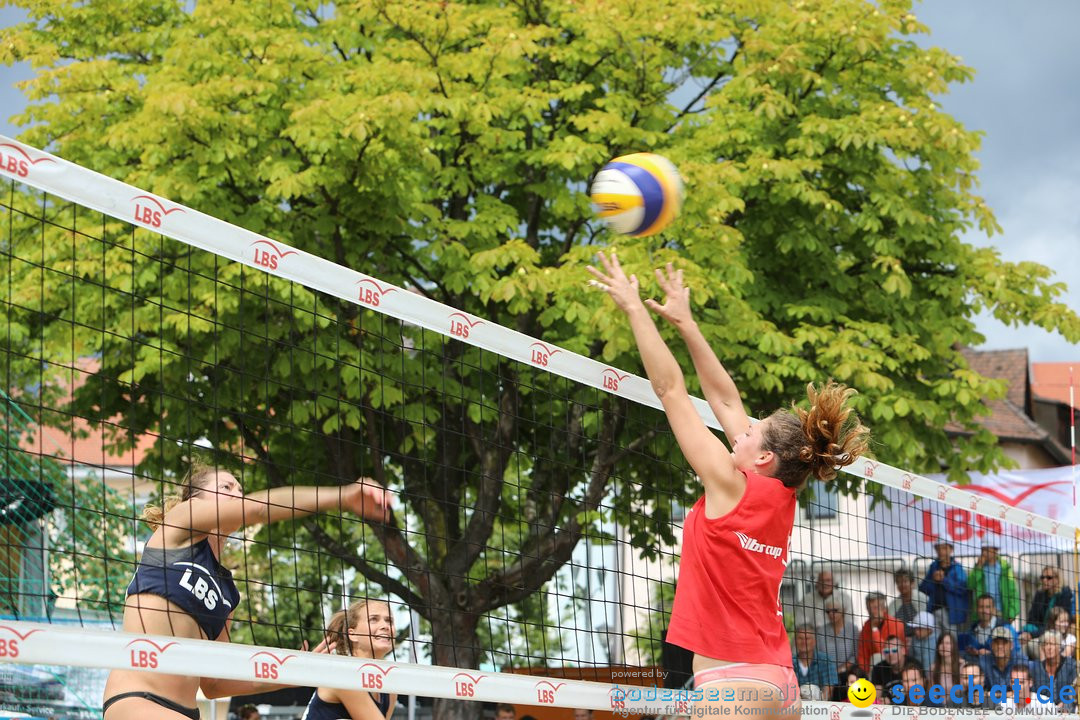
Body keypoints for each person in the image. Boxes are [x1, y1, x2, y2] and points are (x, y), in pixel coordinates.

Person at [587, 254, 869, 719]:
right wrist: (685, 323)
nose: (739, 428)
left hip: (732, 683)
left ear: (762, 457)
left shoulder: (728, 483)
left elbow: (670, 390)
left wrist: (636, 309)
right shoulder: (783, 493)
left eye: (750, 430)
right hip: (779, 680)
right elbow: (725, 397)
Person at [102, 463, 392, 720]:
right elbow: (258, 507)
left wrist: (297, 674)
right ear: (195, 498)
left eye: (240, 489)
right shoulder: (180, 522)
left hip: (186, 711)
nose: (237, 495)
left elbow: (215, 685)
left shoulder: (227, 592)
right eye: (226, 487)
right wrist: (344, 496)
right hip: (137, 700)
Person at [302, 599, 398, 719]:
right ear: (352, 634)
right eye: (373, 619)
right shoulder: (343, 674)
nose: (385, 626)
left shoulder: (390, 689)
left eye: (389, 620)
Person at [919, 541, 969, 638]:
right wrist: (933, 580)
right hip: (934, 612)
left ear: (951, 550)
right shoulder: (933, 567)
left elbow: (962, 589)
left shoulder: (957, 568)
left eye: (944, 548)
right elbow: (923, 588)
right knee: (935, 643)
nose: (941, 552)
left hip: (951, 614)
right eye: (938, 549)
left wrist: (944, 580)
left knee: (951, 642)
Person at [1022, 568, 1074, 649]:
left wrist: (1033, 634)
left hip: (1057, 633)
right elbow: (1031, 618)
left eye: (1049, 577)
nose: (1045, 580)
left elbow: (1054, 624)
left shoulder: (1065, 594)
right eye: (1042, 577)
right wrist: (1033, 632)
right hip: (1039, 631)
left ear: (1057, 579)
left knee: (1032, 646)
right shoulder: (1039, 594)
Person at [967, 544, 1019, 623]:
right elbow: (970, 585)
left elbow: (1013, 592)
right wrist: (978, 567)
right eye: (982, 550)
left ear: (995, 550)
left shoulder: (1005, 567)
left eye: (987, 550)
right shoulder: (978, 567)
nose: (984, 553)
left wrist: (1011, 613)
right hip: (983, 614)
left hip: (1001, 614)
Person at [959, 593, 1020, 659]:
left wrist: (991, 654)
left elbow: (1017, 654)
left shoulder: (1007, 628)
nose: (984, 611)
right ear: (976, 609)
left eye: (987, 607)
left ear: (994, 609)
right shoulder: (971, 631)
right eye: (981, 607)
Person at [856, 592, 906, 671]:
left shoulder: (896, 624)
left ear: (884, 608)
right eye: (869, 608)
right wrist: (863, 674)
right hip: (875, 671)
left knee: (877, 657)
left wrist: (874, 630)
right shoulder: (866, 626)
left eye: (875, 608)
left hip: (896, 667)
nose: (872, 611)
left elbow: (885, 652)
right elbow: (863, 654)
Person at [1029, 630, 1077, 712]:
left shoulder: (1071, 665)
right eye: (1046, 644)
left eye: (1052, 644)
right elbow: (1033, 694)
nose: (1049, 648)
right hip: (1042, 712)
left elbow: (1073, 690)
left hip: (1066, 711)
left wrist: (1063, 705)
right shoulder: (1036, 668)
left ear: (1059, 647)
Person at [792, 625, 838, 700]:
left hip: (821, 707)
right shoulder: (790, 663)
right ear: (795, 641)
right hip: (796, 707)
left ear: (814, 642)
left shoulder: (825, 660)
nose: (804, 642)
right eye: (800, 638)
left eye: (807, 638)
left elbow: (828, 691)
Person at [817, 597, 858, 677]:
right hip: (826, 674)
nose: (831, 614)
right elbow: (818, 655)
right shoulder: (821, 631)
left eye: (835, 611)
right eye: (828, 611)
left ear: (843, 610)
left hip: (848, 674)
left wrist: (840, 670)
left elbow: (854, 656)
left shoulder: (852, 629)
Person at [889, 568, 926, 637]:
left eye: (905, 581)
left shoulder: (923, 599)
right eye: (898, 582)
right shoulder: (893, 605)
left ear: (912, 583)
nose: (902, 584)